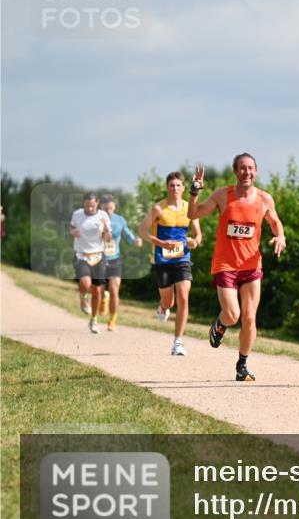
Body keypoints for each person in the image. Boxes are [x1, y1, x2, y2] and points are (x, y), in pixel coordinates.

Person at [187, 153, 286, 381]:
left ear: (256, 171)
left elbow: (275, 221)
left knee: (249, 318)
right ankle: (221, 323)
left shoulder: (264, 199)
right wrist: (194, 192)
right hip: (225, 265)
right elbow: (193, 213)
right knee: (232, 315)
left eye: (251, 168)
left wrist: (280, 236)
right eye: (242, 168)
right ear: (235, 172)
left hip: (252, 266)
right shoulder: (223, 195)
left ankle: (242, 365)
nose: (247, 172)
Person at [140, 172, 202, 356]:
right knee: (169, 301)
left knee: (183, 297)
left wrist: (195, 242)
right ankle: (163, 306)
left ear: (183, 188)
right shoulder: (158, 208)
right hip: (162, 259)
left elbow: (198, 235)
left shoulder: (191, 209)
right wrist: (160, 243)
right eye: (171, 185)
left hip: (183, 258)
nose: (175, 188)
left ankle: (178, 342)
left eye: (178, 185)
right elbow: (142, 231)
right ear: (167, 187)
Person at [69, 192, 112, 334]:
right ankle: (82, 298)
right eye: (87, 206)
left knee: (97, 290)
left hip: (98, 256)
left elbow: (108, 239)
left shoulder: (103, 216)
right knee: (85, 283)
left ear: (97, 203)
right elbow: (71, 228)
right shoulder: (77, 214)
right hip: (81, 255)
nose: (90, 209)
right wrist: (73, 231)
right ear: (83, 204)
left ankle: (94, 320)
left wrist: (106, 230)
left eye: (92, 206)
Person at [99, 194, 142, 331]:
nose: (108, 212)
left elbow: (127, 235)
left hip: (114, 259)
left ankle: (112, 320)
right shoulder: (94, 220)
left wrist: (135, 241)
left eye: (111, 209)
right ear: (100, 207)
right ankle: (103, 298)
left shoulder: (120, 220)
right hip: (97, 259)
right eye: (106, 209)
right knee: (98, 289)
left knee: (114, 288)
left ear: (114, 207)